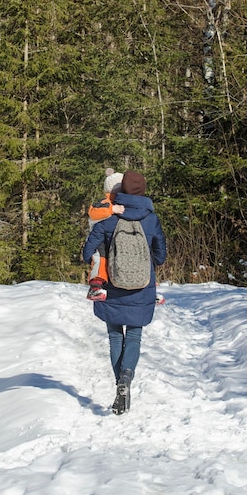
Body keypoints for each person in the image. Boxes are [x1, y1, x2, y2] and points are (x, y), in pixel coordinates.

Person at [82, 170, 166, 415]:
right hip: (142, 286)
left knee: (115, 337)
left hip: (112, 287)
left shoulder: (109, 217)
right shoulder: (151, 219)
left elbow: (87, 252)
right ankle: (126, 378)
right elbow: (160, 255)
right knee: (134, 337)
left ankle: (119, 383)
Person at [86, 168, 124, 302]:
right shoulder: (104, 203)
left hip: (115, 238)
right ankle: (95, 286)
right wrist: (111, 210)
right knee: (100, 259)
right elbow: (93, 213)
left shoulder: (124, 202)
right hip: (98, 240)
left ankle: (150, 287)